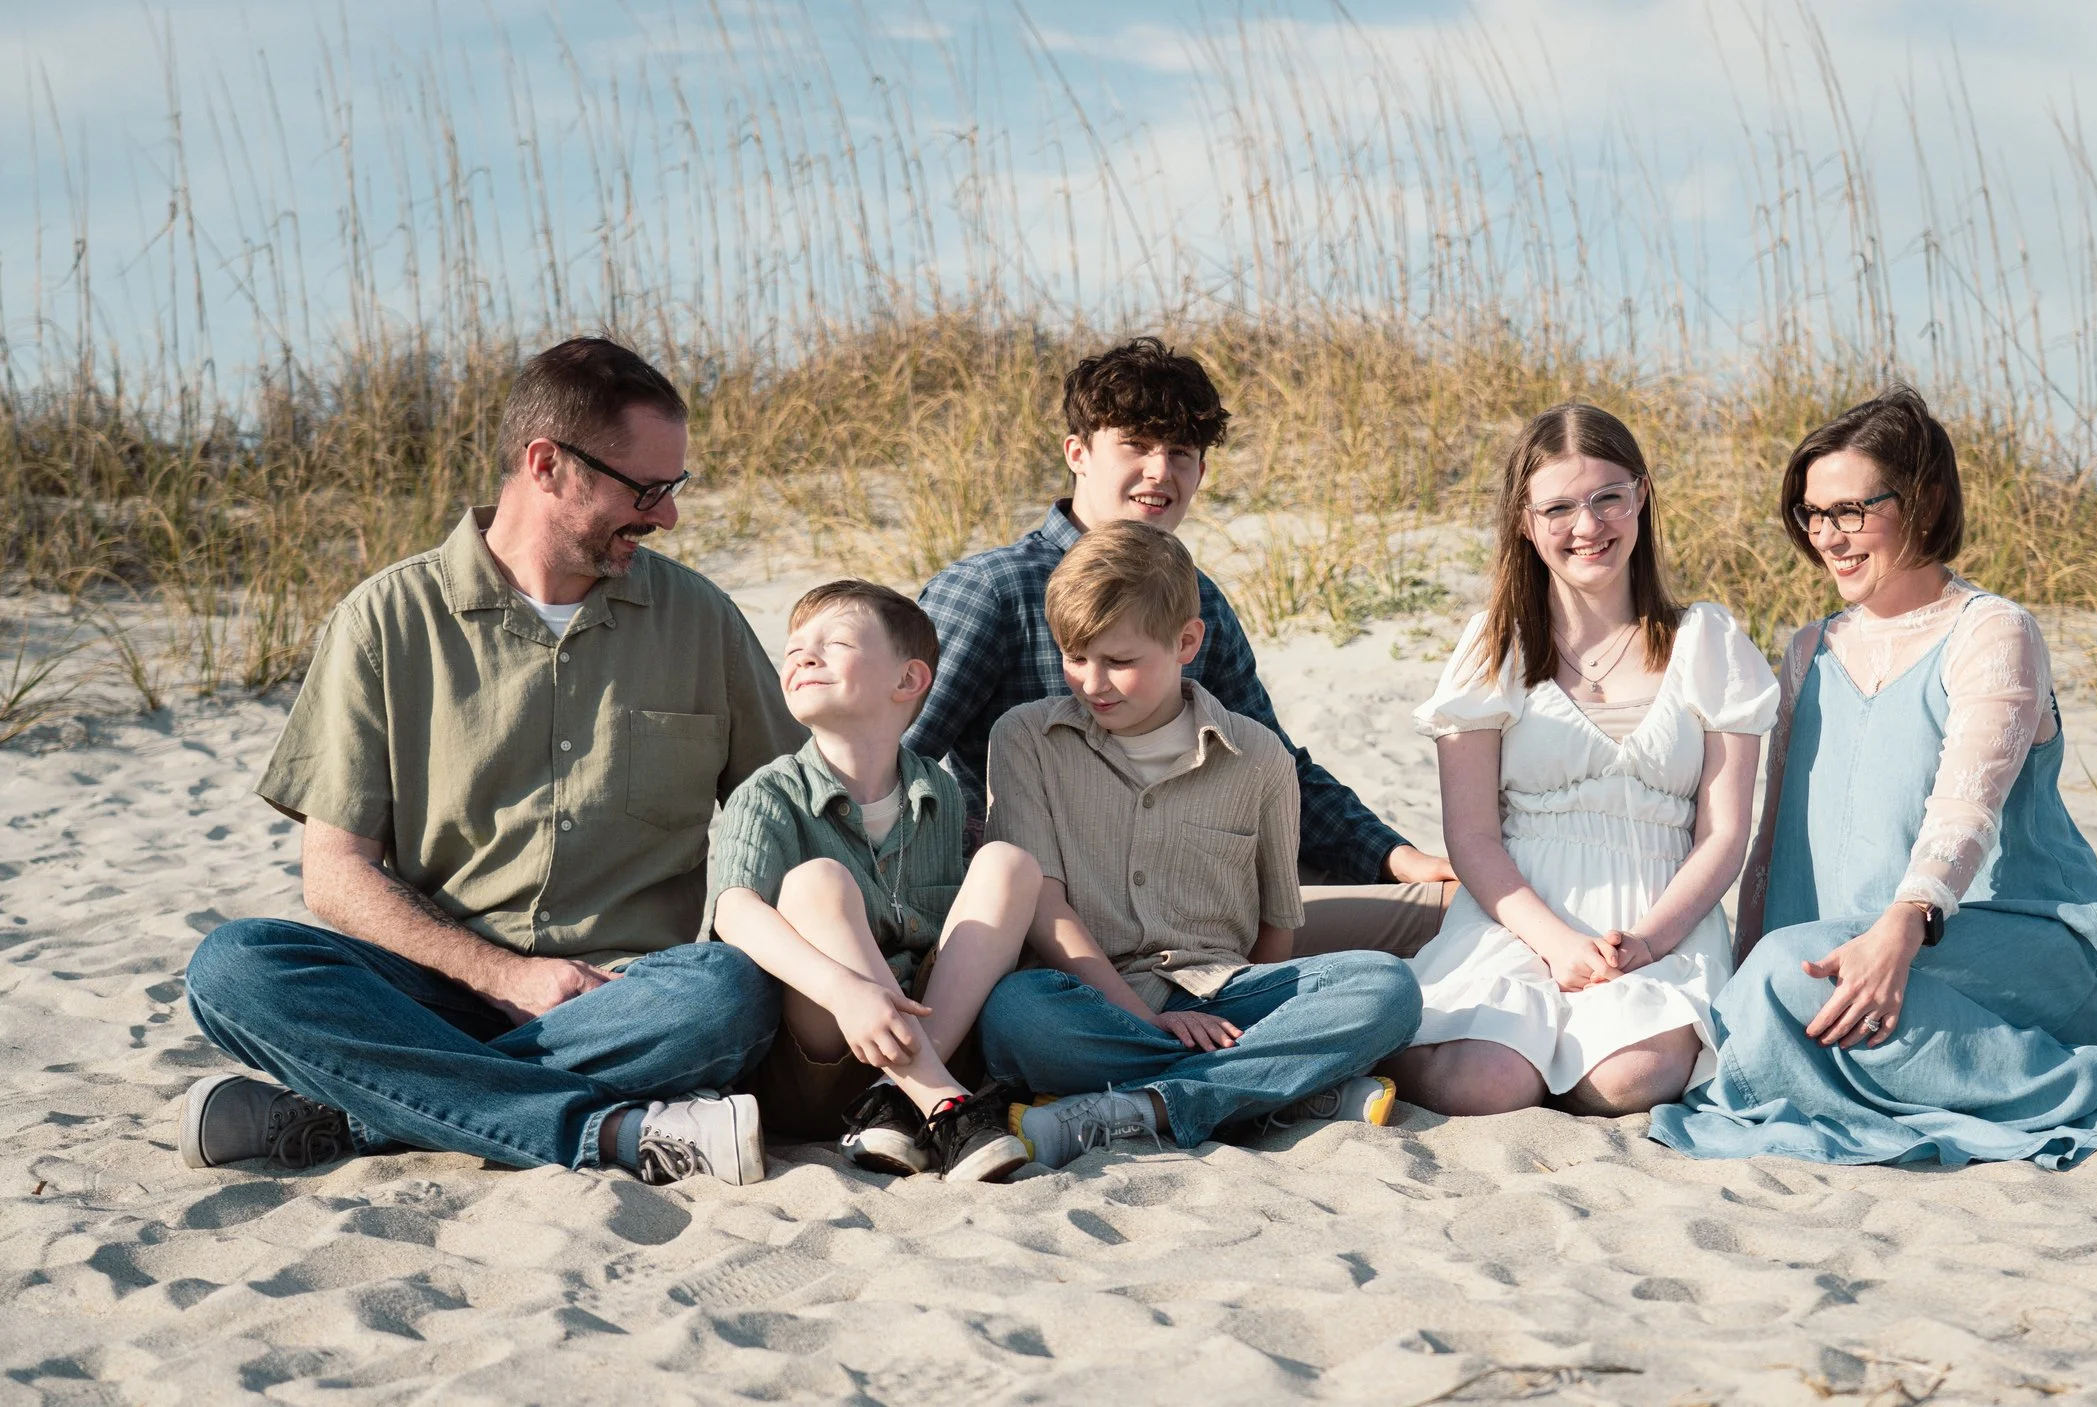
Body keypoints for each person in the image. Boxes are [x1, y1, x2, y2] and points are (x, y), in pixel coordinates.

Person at [180, 337, 803, 1187]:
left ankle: (361, 1110)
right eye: (647, 489)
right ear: (547, 464)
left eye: (673, 489)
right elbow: (335, 875)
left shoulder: (702, 621)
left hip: (629, 1002)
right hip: (429, 988)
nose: (667, 516)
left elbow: (793, 812)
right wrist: (502, 973)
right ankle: (611, 1132)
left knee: (726, 991)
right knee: (234, 965)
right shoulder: (383, 621)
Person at [1650, 387, 2097, 1167]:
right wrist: (1751, 969)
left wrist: (1904, 924)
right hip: (1846, 962)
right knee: (1760, 1016)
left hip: (2014, 944)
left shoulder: (1992, 631)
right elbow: (1775, 840)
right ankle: (2042, 1075)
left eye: (1852, 510)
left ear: (1924, 500)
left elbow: (1967, 808)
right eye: (1813, 514)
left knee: (1787, 1007)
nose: (1828, 536)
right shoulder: (1806, 651)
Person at [906, 337, 1456, 958]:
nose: (1160, 472)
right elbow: (893, 766)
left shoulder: (1197, 602)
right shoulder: (990, 591)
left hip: (1198, 914)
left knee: (1456, 913)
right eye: (1136, 446)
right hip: (1046, 929)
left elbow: (1268, 760)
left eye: (1180, 453)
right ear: (1078, 453)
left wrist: (1393, 856)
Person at [975, 521, 1424, 1168]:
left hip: (1222, 997)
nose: (1092, 681)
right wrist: (1142, 1014)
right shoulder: (1024, 739)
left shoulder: (1261, 757)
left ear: (1187, 641)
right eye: (1075, 656)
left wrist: (1245, 1012)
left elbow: (1276, 926)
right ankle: (1274, 1094)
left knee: (1387, 986)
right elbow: (1043, 906)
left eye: (1120, 661)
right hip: (1089, 998)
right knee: (1015, 1013)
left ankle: (1148, 1107)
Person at [1379, 406, 1779, 1117]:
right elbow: (1472, 836)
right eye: (1558, 507)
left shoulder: (1708, 641)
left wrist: (1650, 940)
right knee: (1485, 1085)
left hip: (1661, 920)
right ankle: (1384, 1056)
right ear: (1525, 522)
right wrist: (1557, 944)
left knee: (1628, 1079)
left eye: (1607, 498)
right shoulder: (1492, 646)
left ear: (1642, 496)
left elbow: (1724, 834)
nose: (1587, 526)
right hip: (1519, 914)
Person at [706, 581, 1037, 1183]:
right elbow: (732, 910)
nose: (803, 656)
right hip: (820, 1056)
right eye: (793, 650)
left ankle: (898, 1096)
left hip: (940, 1035)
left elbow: (964, 946)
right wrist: (844, 991)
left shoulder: (938, 793)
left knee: (1009, 865)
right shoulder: (770, 793)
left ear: (908, 681)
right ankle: (939, 1102)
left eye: (832, 644)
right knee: (818, 881)